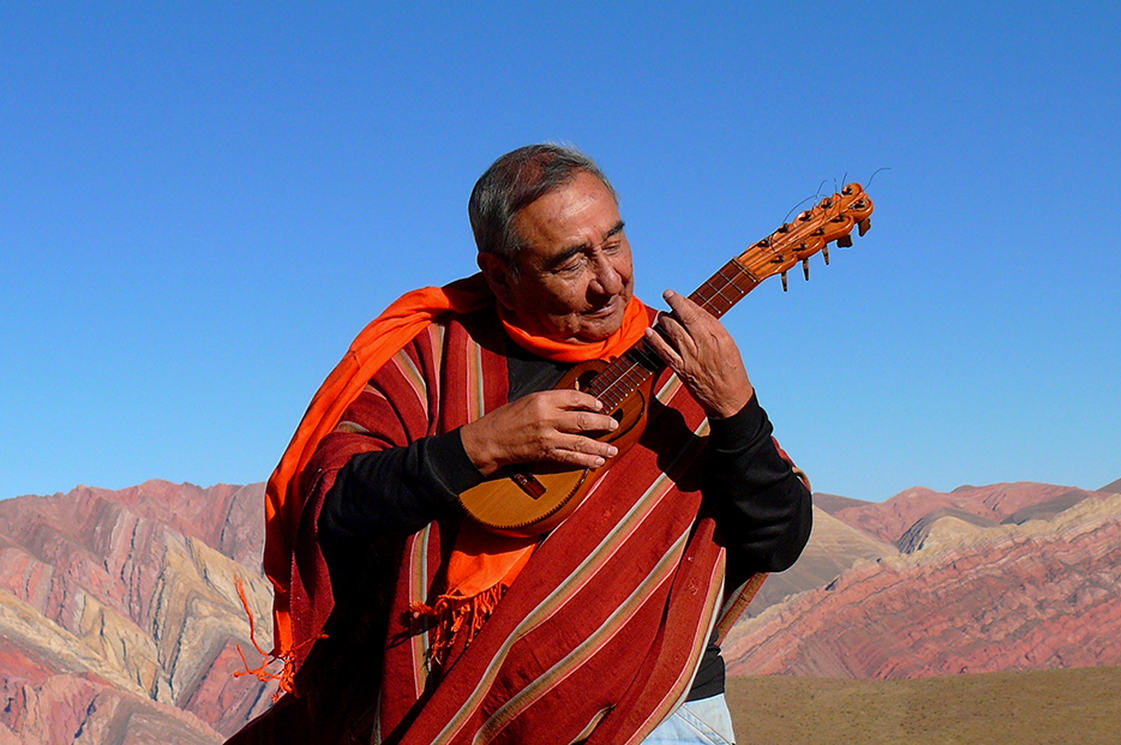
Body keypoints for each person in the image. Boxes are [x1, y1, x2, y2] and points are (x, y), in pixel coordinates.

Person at [229, 144, 812, 744]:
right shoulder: (438, 358)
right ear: (501, 276)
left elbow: (779, 538)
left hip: (654, 714)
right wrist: (477, 447)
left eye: (614, 242)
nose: (610, 281)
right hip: (437, 706)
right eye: (572, 262)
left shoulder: (683, 369)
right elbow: (334, 508)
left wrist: (737, 410)